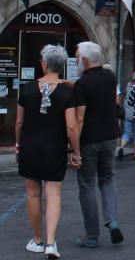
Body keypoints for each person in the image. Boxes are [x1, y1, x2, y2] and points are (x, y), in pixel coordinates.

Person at [15, 45, 80, 259]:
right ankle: (51, 243)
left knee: (33, 194)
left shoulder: (25, 89)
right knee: (54, 194)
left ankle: (37, 240)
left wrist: (17, 143)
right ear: (62, 66)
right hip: (55, 147)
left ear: (44, 63)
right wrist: (75, 150)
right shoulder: (67, 92)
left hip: (30, 146)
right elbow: (71, 127)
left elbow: (18, 122)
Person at [74, 41, 123, 248]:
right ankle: (112, 220)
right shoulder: (110, 78)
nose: (76, 60)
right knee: (108, 180)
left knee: (87, 185)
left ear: (84, 60)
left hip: (89, 140)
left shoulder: (82, 84)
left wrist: (74, 148)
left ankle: (92, 235)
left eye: (76, 57)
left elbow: (79, 119)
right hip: (110, 136)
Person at [117, 71, 135, 161]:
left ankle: (121, 147)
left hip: (128, 112)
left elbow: (123, 97)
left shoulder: (128, 85)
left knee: (127, 132)